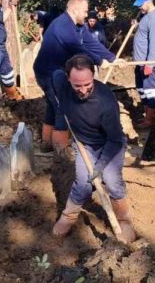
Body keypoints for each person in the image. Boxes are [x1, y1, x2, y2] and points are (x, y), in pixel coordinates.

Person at [51, 54, 136, 243]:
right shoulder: (61, 83)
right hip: (84, 145)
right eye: (77, 85)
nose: (83, 90)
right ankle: (69, 216)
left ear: (94, 76)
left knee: (111, 180)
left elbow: (114, 140)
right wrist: (59, 125)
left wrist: (100, 166)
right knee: (82, 183)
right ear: (68, 79)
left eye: (87, 84)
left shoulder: (105, 101)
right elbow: (58, 92)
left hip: (110, 144)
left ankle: (124, 219)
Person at [33, 0, 119, 154]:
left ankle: (46, 144)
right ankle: (61, 153)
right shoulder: (63, 26)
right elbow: (78, 50)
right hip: (47, 73)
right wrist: (99, 61)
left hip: (57, 71)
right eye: (85, 11)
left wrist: (112, 58)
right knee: (62, 106)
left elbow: (90, 43)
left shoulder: (78, 26)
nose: (87, 15)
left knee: (53, 105)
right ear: (75, 9)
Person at [132, 0, 155, 129]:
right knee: (141, 89)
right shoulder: (146, 16)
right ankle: (147, 116)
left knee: (149, 89)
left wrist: (150, 64)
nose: (139, 7)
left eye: (141, 4)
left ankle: (151, 120)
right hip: (140, 62)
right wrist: (136, 24)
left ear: (149, 1)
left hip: (148, 63)